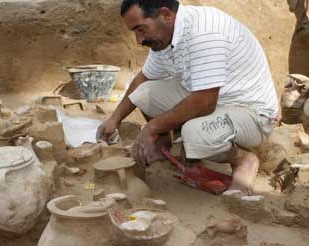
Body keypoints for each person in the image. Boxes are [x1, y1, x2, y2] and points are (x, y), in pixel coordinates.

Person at [96, 0, 278, 195]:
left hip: (250, 112)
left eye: (141, 29)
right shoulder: (166, 34)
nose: (138, 40)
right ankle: (163, 144)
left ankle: (243, 160)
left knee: (193, 134)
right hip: (212, 98)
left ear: (166, 14)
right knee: (144, 93)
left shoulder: (205, 32)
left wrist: (152, 127)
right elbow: (143, 78)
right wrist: (115, 119)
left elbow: (205, 102)